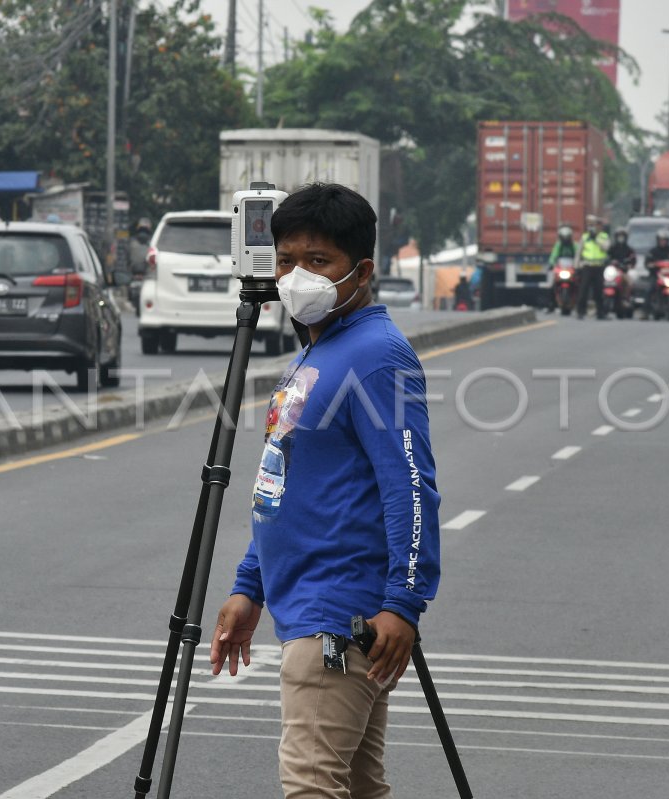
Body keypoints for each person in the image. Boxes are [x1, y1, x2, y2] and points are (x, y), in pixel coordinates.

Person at [210, 183, 441, 799]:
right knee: (358, 789)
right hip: (306, 606)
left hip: (336, 615)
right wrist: (248, 586)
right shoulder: (319, 352)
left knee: (312, 786)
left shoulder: (375, 357)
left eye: (318, 262)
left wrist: (405, 601)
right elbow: (285, 485)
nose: (296, 276)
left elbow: (411, 486)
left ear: (361, 271)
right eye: (286, 260)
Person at [644, 230, 669, 315]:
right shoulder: (653, 251)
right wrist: (652, 265)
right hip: (657, 276)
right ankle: (645, 312)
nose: (663, 242)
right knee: (650, 290)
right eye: (661, 240)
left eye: (665, 240)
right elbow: (647, 263)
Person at [576, 225, 610, 319]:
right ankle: (580, 312)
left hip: (599, 267)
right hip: (587, 267)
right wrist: (577, 267)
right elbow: (579, 253)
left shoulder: (603, 236)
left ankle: (600, 313)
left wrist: (596, 239)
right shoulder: (585, 237)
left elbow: (606, 248)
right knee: (583, 290)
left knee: (598, 291)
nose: (594, 229)